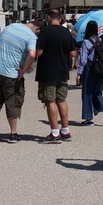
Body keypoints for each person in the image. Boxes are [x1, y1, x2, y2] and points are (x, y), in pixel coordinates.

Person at [0, 17, 38, 143]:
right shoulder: (31, 36)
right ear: (37, 29)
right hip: (11, 73)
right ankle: (13, 134)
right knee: (12, 101)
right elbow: (32, 54)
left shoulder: (10, 27)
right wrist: (24, 70)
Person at [35, 9, 78, 144]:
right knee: (61, 100)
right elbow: (73, 53)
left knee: (50, 101)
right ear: (60, 19)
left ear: (48, 18)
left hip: (48, 71)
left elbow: (39, 52)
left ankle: (54, 133)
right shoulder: (66, 33)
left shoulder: (45, 32)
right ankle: (65, 130)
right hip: (62, 71)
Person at [76, 15, 103, 126]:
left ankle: (88, 118)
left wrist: (79, 73)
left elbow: (83, 60)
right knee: (97, 91)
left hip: (90, 68)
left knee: (87, 92)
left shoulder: (86, 42)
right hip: (100, 69)